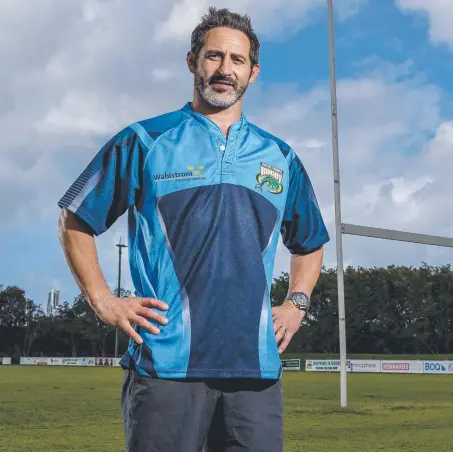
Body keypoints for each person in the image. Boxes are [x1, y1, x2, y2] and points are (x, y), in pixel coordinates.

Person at [57, 6, 329, 452]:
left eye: (237, 60)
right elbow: (74, 217)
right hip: (166, 366)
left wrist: (297, 302)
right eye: (214, 56)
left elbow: (310, 241)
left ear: (253, 72)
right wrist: (102, 299)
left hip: (254, 370)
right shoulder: (145, 140)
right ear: (192, 62)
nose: (225, 69)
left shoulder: (280, 156)